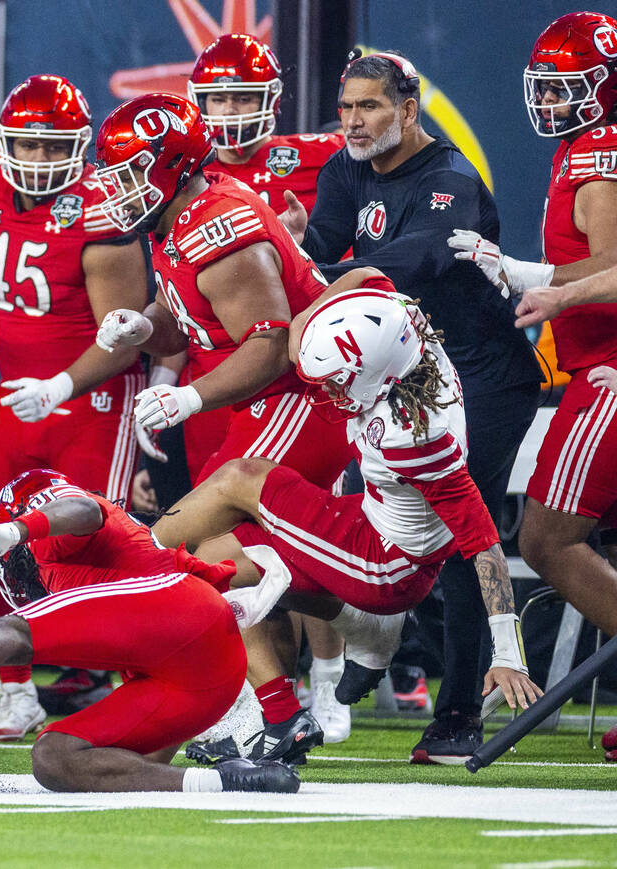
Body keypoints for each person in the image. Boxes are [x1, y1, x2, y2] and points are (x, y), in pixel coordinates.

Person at [153, 274, 543, 765]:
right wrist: (303, 326)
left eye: (339, 381)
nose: (329, 394)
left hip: (385, 564)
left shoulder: (415, 438)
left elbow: (484, 542)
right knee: (217, 558)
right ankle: (287, 713)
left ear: (378, 374)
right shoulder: (401, 330)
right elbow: (365, 278)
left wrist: (507, 651)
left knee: (238, 482)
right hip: (376, 519)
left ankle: (132, 551)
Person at [281, 50, 543, 765]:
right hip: (400, 373)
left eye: (369, 107)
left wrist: (323, 276)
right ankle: (384, 640)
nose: (354, 122)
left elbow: (420, 259)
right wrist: (293, 249)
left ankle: (458, 710)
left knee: (460, 537)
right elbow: (316, 257)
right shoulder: (344, 170)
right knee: (376, 528)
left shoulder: (450, 178)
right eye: (345, 109)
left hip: (480, 378)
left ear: (408, 108)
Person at [91, 92, 354, 758]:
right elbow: (188, 307)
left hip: (300, 397)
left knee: (169, 548)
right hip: (275, 402)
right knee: (200, 557)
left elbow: (269, 344)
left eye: (130, 173)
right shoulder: (185, 214)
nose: (119, 190)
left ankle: (256, 696)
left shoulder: (218, 224)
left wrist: (187, 398)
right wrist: (146, 324)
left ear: (173, 164)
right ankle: (281, 703)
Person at [0, 468, 300, 795]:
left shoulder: (57, 526)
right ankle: (235, 780)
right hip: (197, 679)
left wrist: (18, 530)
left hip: (175, 605)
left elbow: (82, 511)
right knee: (57, 759)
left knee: (16, 631)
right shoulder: (71, 579)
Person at [0, 73, 148, 742]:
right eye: (30, 145)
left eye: (55, 148)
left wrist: (61, 387)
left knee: (98, 546)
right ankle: (16, 694)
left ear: (80, 149)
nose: (42, 160)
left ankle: (131, 683)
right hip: (18, 396)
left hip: (95, 397)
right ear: (4, 141)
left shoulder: (103, 209)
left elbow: (124, 335)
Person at [448, 12, 617, 761]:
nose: (549, 100)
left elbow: (614, 268)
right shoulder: (582, 148)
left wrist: (536, 278)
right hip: (594, 363)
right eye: (543, 85)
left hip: (609, 367)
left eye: (566, 86)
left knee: (548, 538)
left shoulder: (600, 156)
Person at [187, 32, 352, 741]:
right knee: (230, 546)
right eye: (215, 98)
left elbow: (349, 254)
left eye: (239, 97)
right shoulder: (185, 195)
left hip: (289, 374)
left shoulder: (312, 159)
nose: (226, 112)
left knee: (248, 537)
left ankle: (327, 674)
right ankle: (264, 698)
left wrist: (301, 242)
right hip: (221, 381)